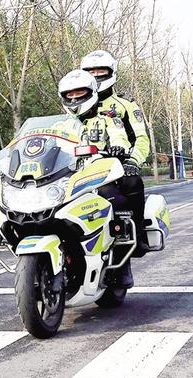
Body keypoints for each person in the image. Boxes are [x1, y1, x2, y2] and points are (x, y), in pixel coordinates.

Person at [58, 69, 143, 289]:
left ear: (91, 93)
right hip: (65, 179)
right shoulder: (60, 125)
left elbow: (120, 137)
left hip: (97, 178)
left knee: (117, 204)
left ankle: (122, 263)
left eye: (79, 93)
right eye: (70, 95)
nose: (74, 99)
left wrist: (119, 148)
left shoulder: (108, 118)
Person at [80, 50, 150, 255]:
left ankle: (137, 234)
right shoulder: (75, 103)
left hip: (116, 165)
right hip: (79, 166)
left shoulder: (125, 104)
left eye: (100, 71)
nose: (95, 76)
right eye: (91, 72)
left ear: (111, 73)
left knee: (132, 182)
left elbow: (141, 138)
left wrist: (133, 161)